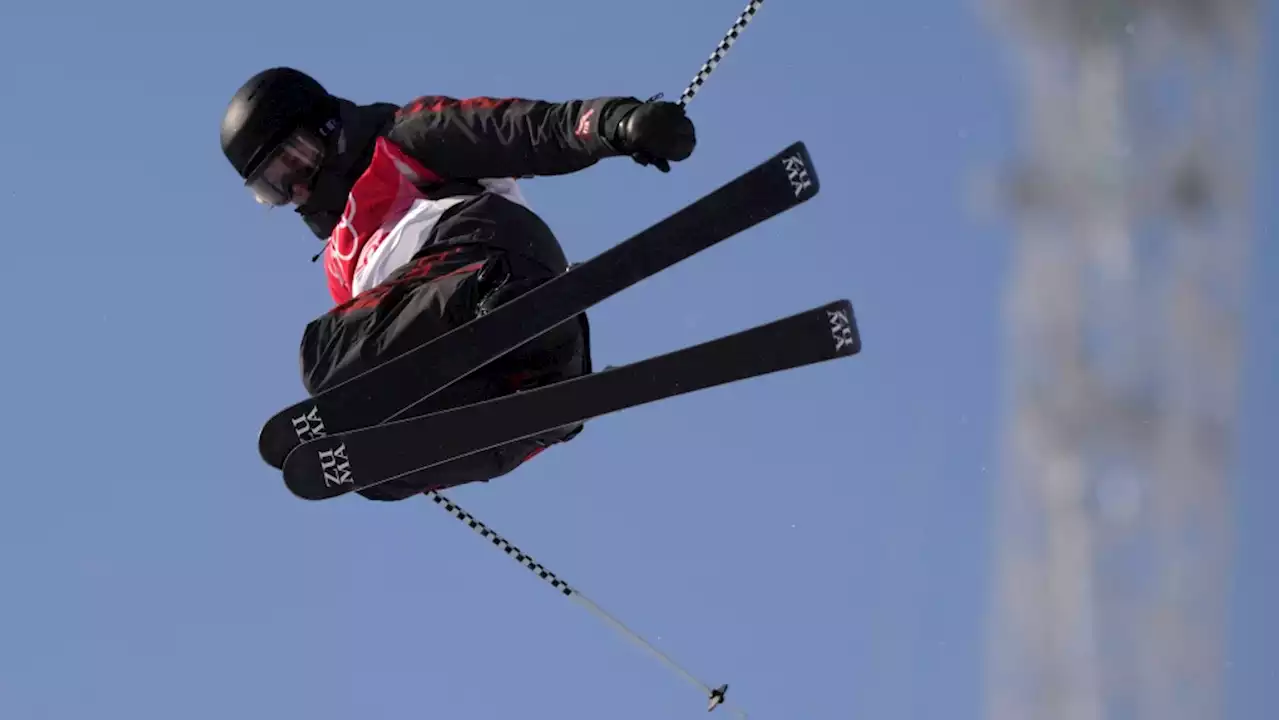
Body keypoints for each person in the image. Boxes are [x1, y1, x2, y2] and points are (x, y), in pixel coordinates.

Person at [220, 67, 696, 501]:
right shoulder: (340, 263)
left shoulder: (401, 140)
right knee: (362, 462)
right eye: (274, 188)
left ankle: (517, 311)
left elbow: (519, 128)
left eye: (295, 163)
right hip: (491, 363)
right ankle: (544, 389)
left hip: (489, 256)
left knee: (320, 353)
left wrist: (616, 123)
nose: (296, 191)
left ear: (327, 127)